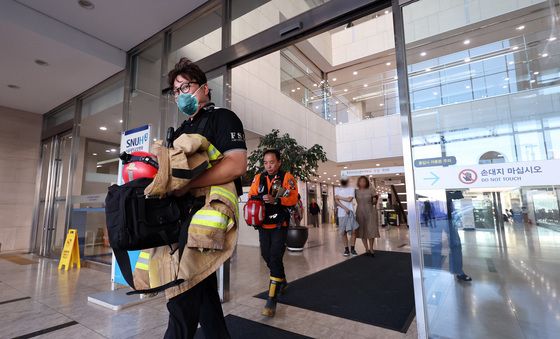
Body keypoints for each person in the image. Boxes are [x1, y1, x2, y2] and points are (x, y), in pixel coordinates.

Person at [164, 58, 247, 339]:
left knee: (182, 293)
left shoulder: (222, 118)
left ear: (205, 89)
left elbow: (236, 165)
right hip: (180, 217)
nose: (181, 94)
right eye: (176, 91)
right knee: (203, 290)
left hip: (207, 215)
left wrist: (190, 185)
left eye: (186, 86)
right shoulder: (179, 132)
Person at [248, 149, 298, 317]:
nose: (268, 165)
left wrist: (276, 198)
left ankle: (271, 300)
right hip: (263, 224)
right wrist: (256, 200)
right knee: (266, 255)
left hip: (279, 224)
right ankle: (281, 280)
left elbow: (293, 197)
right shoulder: (258, 178)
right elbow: (251, 195)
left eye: (272, 162)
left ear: (279, 163)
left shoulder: (287, 177)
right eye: (266, 162)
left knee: (275, 257)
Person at [355, 176, 380, 256]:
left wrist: (375, 200)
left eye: (364, 181)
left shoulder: (371, 190)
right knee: (362, 231)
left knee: (371, 229)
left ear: (366, 182)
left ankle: (371, 248)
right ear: (358, 183)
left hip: (370, 212)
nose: (362, 183)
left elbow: (375, 200)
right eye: (360, 181)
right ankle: (366, 248)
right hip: (360, 212)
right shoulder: (356, 191)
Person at [335, 176, 359, 256]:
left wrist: (340, 197)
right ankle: (346, 250)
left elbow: (350, 199)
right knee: (343, 232)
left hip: (351, 212)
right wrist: (345, 208)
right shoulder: (337, 189)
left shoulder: (351, 189)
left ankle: (353, 249)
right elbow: (336, 201)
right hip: (341, 213)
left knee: (353, 231)